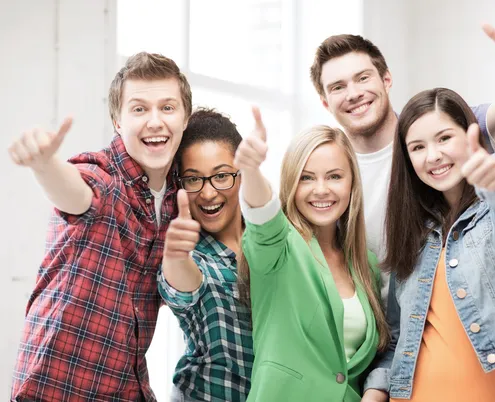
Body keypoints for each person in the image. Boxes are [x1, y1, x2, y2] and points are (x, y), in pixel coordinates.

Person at [309, 25, 495, 304]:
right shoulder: (328, 174)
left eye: (362, 78)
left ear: (386, 79)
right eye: (338, 87)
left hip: (446, 324)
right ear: (326, 103)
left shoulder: (444, 136)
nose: (353, 93)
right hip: (377, 337)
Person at [8, 52, 192, 402]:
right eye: (139, 109)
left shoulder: (176, 199)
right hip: (55, 388)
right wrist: (45, 165)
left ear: (185, 119)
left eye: (167, 107)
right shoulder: (103, 177)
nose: (155, 121)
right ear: (117, 122)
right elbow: (76, 191)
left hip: (126, 385)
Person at [362, 88, 495, 401]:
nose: (433, 155)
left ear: (469, 136)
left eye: (444, 138)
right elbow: (397, 340)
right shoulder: (412, 236)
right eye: (418, 147)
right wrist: (374, 391)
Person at [234, 108, 388, 402]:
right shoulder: (281, 248)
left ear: (352, 182)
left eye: (334, 176)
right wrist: (251, 171)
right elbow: (263, 217)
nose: (321, 190)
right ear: (292, 183)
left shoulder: (366, 264)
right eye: (306, 178)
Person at [157, 108, 253, 402]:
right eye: (193, 179)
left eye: (221, 175)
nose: (208, 193)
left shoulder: (269, 238)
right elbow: (183, 287)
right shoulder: (194, 255)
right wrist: (175, 256)